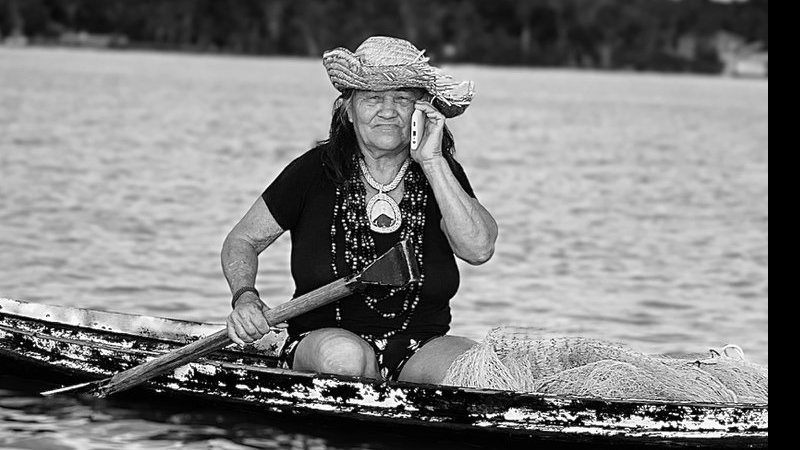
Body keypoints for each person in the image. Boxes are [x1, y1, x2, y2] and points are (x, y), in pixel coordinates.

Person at [222, 36, 498, 384]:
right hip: (323, 338)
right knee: (347, 359)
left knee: (479, 371)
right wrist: (245, 298)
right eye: (372, 99)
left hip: (422, 345)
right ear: (348, 110)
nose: (388, 111)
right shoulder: (312, 171)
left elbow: (479, 249)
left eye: (402, 99)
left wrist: (432, 160)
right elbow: (241, 240)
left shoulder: (442, 173)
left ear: (422, 111)